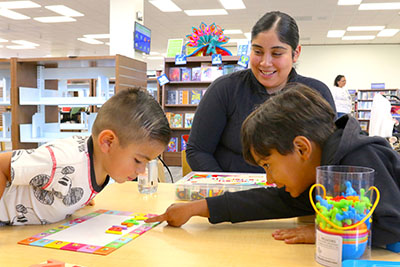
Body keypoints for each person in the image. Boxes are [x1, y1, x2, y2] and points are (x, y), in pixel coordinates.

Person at [146, 83, 400, 247]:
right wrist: (197, 208)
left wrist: (327, 234)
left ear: (301, 148)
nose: (268, 178)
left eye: (267, 165)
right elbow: (271, 201)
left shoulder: (360, 159)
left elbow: (392, 227)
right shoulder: (319, 170)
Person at [186, 11, 336, 173]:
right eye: (257, 52)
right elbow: (198, 150)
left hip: (294, 194)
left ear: (296, 53)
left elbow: (330, 155)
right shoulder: (225, 89)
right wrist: (224, 188)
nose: (265, 63)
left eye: (277, 53)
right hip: (233, 193)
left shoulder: (316, 93)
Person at [0, 88, 171, 225]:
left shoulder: (102, 166)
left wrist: (78, 197)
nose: (142, 171)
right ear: (108, 142)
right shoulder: (62, 161)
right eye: (138, 161)